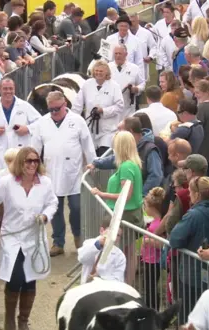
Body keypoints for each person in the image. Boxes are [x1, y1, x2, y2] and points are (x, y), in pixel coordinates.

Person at [0, 147, 58, 330]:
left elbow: (53, 203)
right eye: (28, 161)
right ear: (20, 162)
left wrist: (45, 215)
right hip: (12, 237)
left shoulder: (45, 183)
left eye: (35, 161)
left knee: (30, 279)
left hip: (34, 238)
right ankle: (9, 318)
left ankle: (23, 320)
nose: (32, 165)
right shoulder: (5, 183)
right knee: (16, 277)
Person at [30, 91, 96, 256]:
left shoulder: (77, 121)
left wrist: (93, 162)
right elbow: (35, 149)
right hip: (51, 173)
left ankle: (78, 236)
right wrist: (32, 169)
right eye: (50, 109)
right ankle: (58, 242)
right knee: (55, 209)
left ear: (65, 104)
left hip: (74, 173)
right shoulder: (42, 123)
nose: (54, 113)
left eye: (57, 109)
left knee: (76, 207)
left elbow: (87, 144)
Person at [90, 131, 144, 285]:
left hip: (124, 214)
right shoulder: (131, 164)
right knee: (129, 251)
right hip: (127, 213)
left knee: (121, 250)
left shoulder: (127, 166)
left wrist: (102, 194)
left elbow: (125, 195)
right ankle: (126, 282)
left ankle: (123, 282)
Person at [170, 176, 209, 322]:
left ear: (197, 195)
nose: (189, 196)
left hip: (191, 275)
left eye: (191, 192)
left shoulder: (194, 215)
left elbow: (175, 239)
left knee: (187, 316)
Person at [91, 115, 163, 196]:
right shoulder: (132, 146)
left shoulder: (150, 150)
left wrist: (142, 195)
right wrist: (96, 163)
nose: (116, 133)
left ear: (130, 132)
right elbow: (116, 159)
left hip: (146, 202)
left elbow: (156, 175)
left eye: (120, 130)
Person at [0, 78, 41, 170]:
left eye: (11, 88)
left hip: (21, 153)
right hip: (0, 156)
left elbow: (41, 122)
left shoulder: (24, 106)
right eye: (5, 88)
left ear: (14, 89)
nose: (8, 91)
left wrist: (27, 129)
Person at [72, 60, 124, 156]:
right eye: (96, 71)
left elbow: (120, 106)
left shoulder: (114, 86)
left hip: (108, 130)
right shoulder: (87, 84)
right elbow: (77, 105)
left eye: (101, 71)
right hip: (90, 129)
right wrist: (74, 121)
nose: (98, 73)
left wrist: (103, 111)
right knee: (91, 158)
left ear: (106, 73)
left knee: (103, 155)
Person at [77, 214, 125, 284]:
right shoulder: (89, 243)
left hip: (106, 291)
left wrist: (100, 277)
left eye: (118, 235)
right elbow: (82, 258)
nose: (114, 238)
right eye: (112, 232)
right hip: (86, 288)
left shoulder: (119, 255)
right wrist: (97, 245)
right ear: (102, 230)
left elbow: (118, 279)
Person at [108, 44, 144, 119]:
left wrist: (136, 89)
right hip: (111, 107)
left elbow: (142, 84)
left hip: (128, 107)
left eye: (120, 53)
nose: (117, 56)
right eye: (116, 53)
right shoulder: (107, 67)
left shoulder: (134, 68)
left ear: (126, 54)